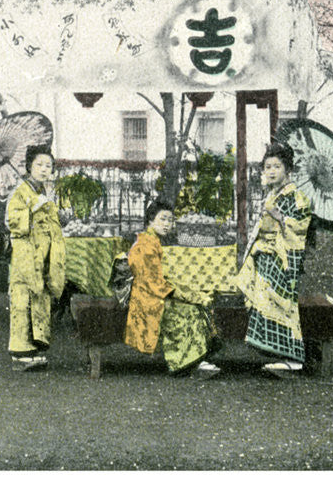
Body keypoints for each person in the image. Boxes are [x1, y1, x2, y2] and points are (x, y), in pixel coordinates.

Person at [235, 144, 312, 378]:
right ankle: (280, 354)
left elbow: (300, 229)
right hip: (266, 254)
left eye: (277, 166)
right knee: (263, 298)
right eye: (267, 167)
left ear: (288, 170)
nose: (271, 171)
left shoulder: (296, 197)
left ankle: (293, 357)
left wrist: (279, 217)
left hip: (282, 257)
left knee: (280, 301)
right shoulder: (272, 195)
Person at [123, 200, 222, 379]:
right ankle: (185, 362)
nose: (168, 224)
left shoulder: (152, 241)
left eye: (170, 220)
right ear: (150, 221)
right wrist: (187, 296)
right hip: (148, 299)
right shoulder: (145, 245)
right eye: (163, 219)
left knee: (194, 307)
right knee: (187, 311)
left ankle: (195, 358)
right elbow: (153, 283)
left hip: (153, 293)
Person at [5, 144, 66, 371]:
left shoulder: (42, 191)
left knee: (39, 299)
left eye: (48, 165)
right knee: (23, 299)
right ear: (29, 166)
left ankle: (34, 349)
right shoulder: (20, 191)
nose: (43, 169)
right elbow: (12, 221)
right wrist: (31, 210)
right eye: (39, 164)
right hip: (26, 253)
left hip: (42, 253)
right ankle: (20, 353)